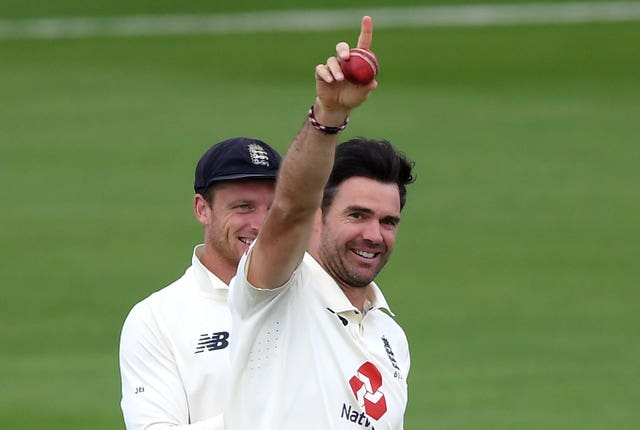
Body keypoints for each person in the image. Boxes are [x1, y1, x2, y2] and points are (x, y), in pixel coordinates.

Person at [226, 16, 415, 430]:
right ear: (319, 215)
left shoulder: (389, 336)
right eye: (357, 215)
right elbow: (290, 206)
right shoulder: (278, 291)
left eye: (388, 221)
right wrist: (328, 115)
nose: (374, 235)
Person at [119, 137, 282, 430]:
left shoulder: (317, 297)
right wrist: (275, 414)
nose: (261, 224)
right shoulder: (155, 318)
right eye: (244, 207)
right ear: (202, 209)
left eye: (273, 209)